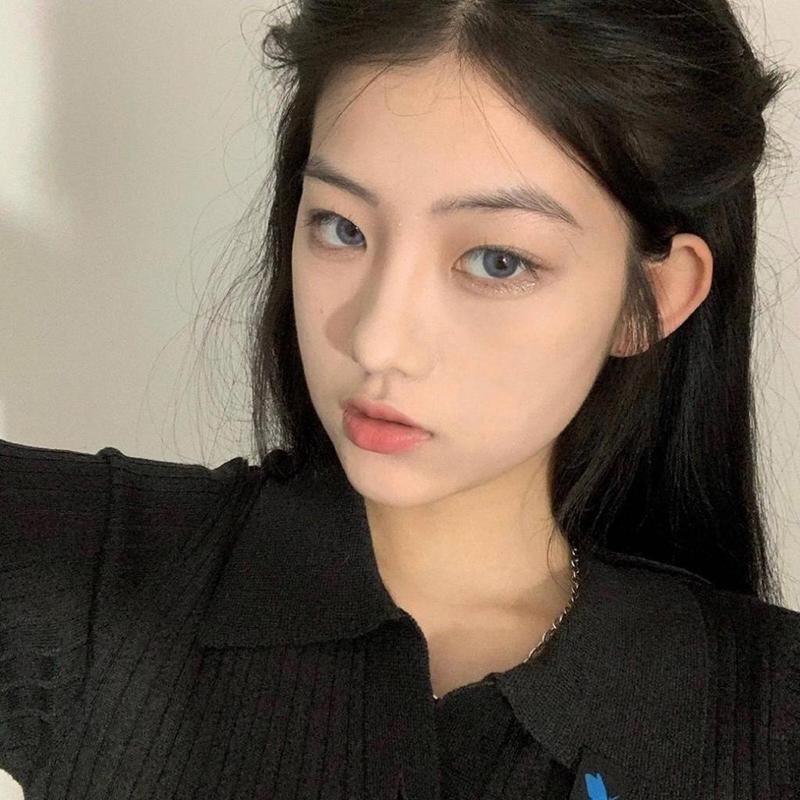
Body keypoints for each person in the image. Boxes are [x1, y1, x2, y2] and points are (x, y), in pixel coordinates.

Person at [2, 1, 799, 798]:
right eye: (342, 228)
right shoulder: (90, 574)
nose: (377, 341)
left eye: (496, 260)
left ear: (650, 299)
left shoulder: (771, 711)